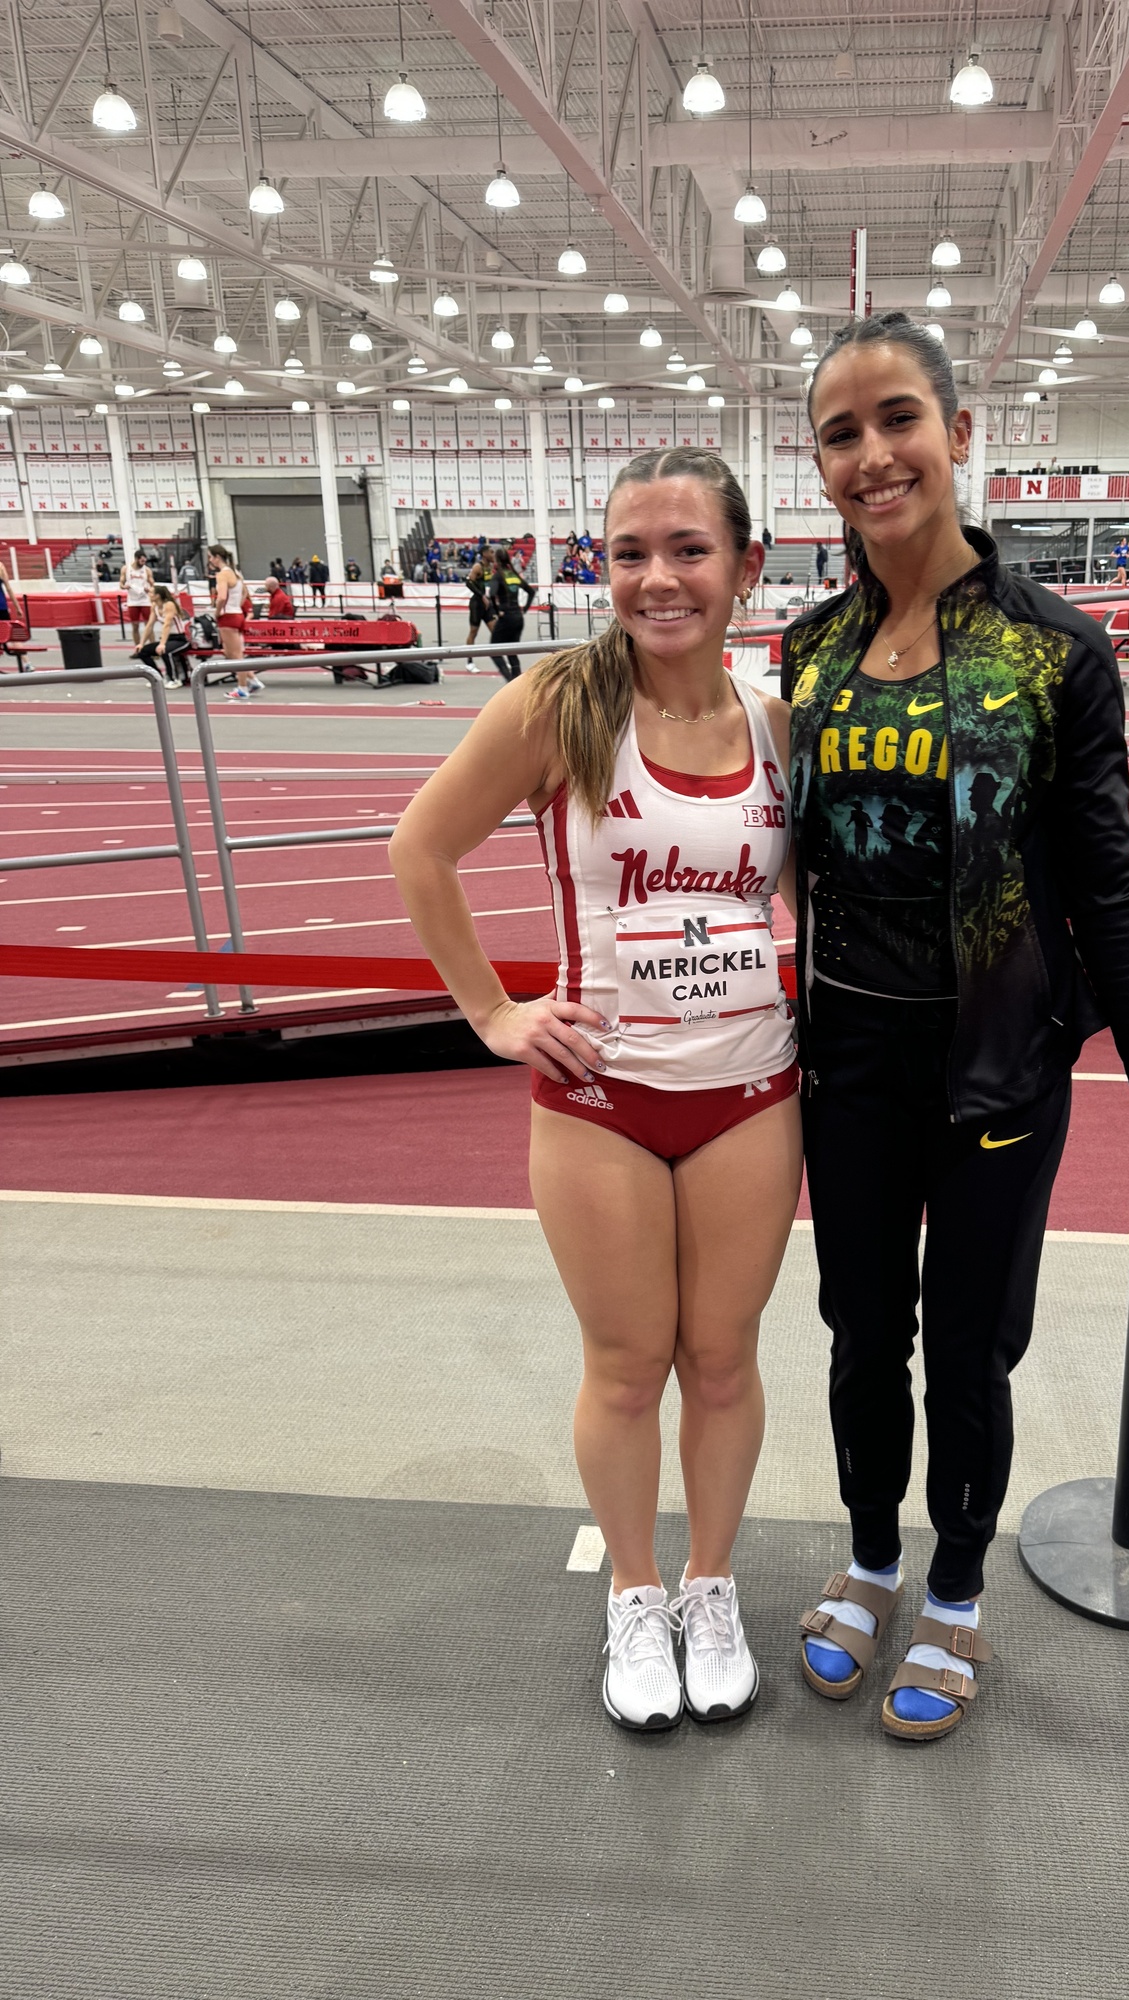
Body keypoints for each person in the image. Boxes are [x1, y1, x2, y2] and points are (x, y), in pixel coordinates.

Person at [781, 312, 1129, 1744]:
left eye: (898, 418)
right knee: (862, 1331)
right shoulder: (805, 653)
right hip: (845, 1062)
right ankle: (869, 1560)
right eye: (840, 433)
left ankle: (960, 1591)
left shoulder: (1056, 655)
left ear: (960, 436)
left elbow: (1107, 880)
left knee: (972, 1348)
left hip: (994, 1071)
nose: (873, 455)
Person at [389, 447, 798, 1734]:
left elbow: (820, 896)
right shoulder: (558, 704)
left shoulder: (780, 723)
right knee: (628, 1365)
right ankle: (634, 1589)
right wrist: (493, 1012)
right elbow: (421, 845)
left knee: (723, 1360)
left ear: (745, 566)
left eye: (687, 549)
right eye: (629, 551)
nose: (657, 577)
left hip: (750, 1091)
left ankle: (712, 1584)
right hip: (601, 1100)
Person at [207, 543, 262, 700]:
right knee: (231, 653)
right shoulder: (235, 572)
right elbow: (244, 592)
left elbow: (222, 597)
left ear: (217, 557)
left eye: (210, 557)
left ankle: (242, 688)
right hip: (237, 614)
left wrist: (217, 612)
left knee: (236, 655)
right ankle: (252, 679)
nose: (210, 561)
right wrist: (237, 605)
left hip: (228, 616)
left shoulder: (222, 574)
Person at [489, 541, 536, 680]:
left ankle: (509, 680)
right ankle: (516, 682)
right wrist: (525, 609)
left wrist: (497, 611)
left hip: (506, 616)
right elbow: (531, 592)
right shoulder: (513, 574)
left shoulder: (498, 576)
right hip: (518, 617)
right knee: (512, 651)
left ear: (497, 560)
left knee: (493, 650)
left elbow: (491, 594)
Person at [131, 583, 190, 686]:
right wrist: (141, 643)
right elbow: (149, 626)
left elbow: (167, 625)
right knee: (142, 651)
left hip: (180, 638)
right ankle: (157, 677)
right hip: (168, 639)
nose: (148, 594)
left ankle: (173, 679)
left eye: (151, 592)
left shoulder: (169, 605)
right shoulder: (155, 606)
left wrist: (162, 644)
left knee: (165, 651)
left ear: (158, 595)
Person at [464, 550, 496, 661]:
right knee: (473, 632)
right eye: (491, 552)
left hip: (487, 605)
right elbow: (468, 583)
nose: (493, 554)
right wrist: (482, 596)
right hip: (477, 604)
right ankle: (469, 661)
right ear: (484, 554)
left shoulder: (490, 567)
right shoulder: (478, 567)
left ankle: (499, 659)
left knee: (495, 631)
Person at [122, 549, 154, 636]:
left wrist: (150, 588)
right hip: (133, 600)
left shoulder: (147, 570)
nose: (143, 563)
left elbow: (152, 583)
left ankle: (152, 646)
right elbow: (121, 584)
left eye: (145, 561)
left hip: (145, 600)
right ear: (136, 559)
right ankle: (138, 647)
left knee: (148, 624)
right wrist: (124, 586)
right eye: (142, 561)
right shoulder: (126, 569)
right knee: (135, 625)